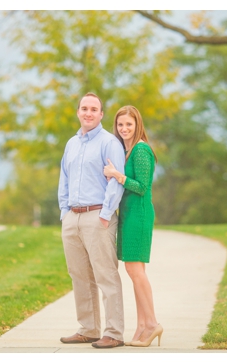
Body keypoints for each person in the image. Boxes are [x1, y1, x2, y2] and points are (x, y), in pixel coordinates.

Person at [57, 92, 127, 349]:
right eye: (84, 108)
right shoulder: (71, 144)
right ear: (78, 112)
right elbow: (64, 178)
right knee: (78, 274)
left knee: (105, 274)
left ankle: (114, 332)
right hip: (72, 218)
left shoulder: (109, 143)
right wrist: (64, 212)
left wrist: (105, 214)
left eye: (93, 109)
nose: (88, 112)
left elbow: (115, 181)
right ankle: (88, 329)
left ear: (100, 115)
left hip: (98, 217)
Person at [102, 105, 162, 347]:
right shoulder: (126, 151)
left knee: (136, 271)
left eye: (129, 124)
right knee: (134, 272)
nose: (124, 129)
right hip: (127, 215)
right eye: (120, 125)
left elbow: (142, 187)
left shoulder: (141, 150)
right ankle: (141, 325)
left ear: (138, 125)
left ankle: (152, 324)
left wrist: (117, 175)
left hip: (139, 215)